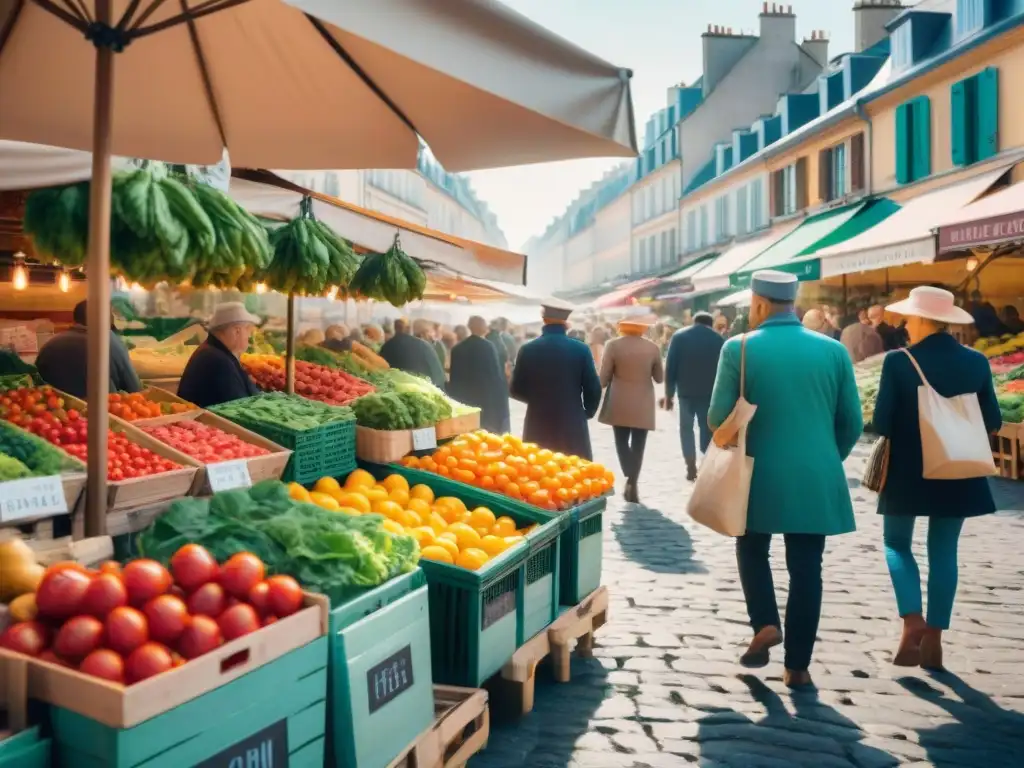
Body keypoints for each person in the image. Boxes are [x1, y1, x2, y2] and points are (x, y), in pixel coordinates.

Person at [708, 270, 862, 689]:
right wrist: (828, 456)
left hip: (756, 471)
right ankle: (798, 667)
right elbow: (852, 421)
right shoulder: (833, 351)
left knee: (752, 547)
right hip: (816, 473)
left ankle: (764, 621)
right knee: (807, 568)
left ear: (758, 303)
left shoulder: (737, 348)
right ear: (793, 303)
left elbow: (717, 419)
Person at [871, 287, 1001, 671]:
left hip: (908, 469)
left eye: (909, 318)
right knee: (944, 551)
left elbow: (881, 421)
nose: (906, 326)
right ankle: (935, 639)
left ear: (922, 319)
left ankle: (911, 620)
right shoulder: (977, 361)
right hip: (958, 467)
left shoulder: (898, 361)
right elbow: (992, 419)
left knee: (897, 544)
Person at [511, 303, 602, 460]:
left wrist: (537, 400)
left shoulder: (528, 349)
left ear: (544, 319)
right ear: (566, 322)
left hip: (538, 421)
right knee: (574, 471)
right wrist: (585, 412)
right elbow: (593, 388)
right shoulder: (581, 349)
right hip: (572, 421)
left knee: (539, 471)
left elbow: (515, 389)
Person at [598, 320, 664, 503]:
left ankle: (629, 474)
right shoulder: (652, 348)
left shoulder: (612, 345)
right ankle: (633, 482)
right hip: (643, 402)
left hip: (619, 401)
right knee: (639, 445)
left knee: (620, 441)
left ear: (621, 328)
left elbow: (604, 377)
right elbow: (659, 378)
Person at [36, 300, 142, 399]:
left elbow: (36, 383)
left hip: (56, 412)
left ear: (75, 319)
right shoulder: (109, 340)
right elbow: (135, 389)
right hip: (104, 413)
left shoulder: (50, 345)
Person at [663, 312, 724, 481]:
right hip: (709, 394)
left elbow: (670, 367)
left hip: (685, 393)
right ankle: (707, 463)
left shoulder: (679, 337)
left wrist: (669, 395)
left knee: (686, 429)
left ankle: (690, 464)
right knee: (707, 429)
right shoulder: (718, 339)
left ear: (694, 322)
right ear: (710, 324)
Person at [177, 302, 261, 408]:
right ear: (237, 331)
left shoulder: (214, 352)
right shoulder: (217, 361)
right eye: (248, 330)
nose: (249, 336)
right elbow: (238, 408)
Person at [448, 316, 511, 434]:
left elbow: (454, 378)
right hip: (485, 398)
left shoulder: (457, 349)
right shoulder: (488, 347)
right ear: (482, 327)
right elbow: (494, 376)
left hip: (464, 399)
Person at [380, 319, 446, 389]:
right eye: (430, 335)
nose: (432, 338)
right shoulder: (424, 347)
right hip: (423, 391)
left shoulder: (389, 344)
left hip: (391, 388)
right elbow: (439, 380)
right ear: (423, 334)